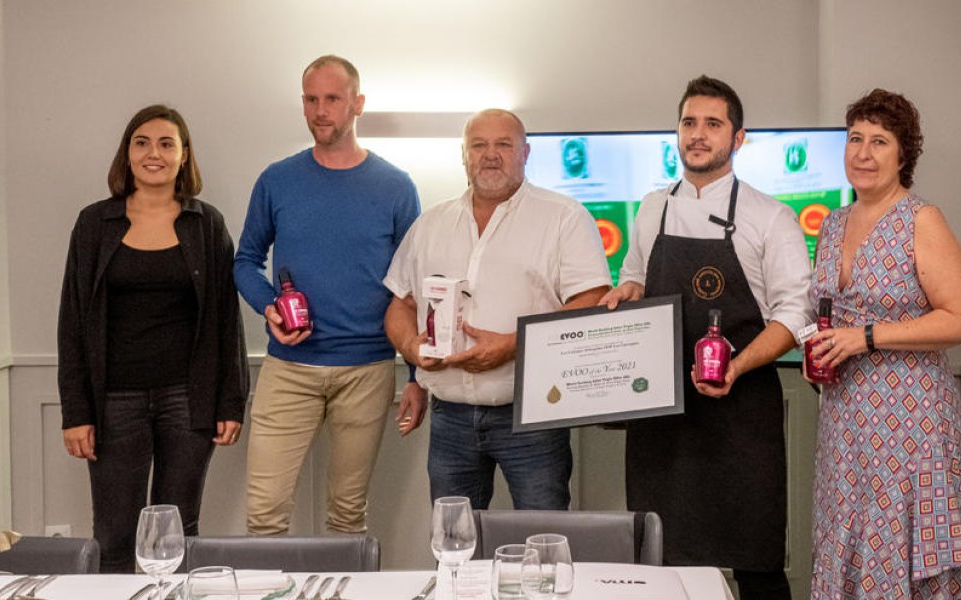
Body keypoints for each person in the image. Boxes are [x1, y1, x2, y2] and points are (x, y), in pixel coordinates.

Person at [599, 76, 811, 600]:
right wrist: (627, 291)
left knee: (757, 560)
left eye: (713, 124)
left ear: (738, 138)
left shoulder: (770, 219)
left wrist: (738, 364)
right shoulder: (651, 207)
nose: (698, 135)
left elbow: (794, 315)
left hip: (742, 415)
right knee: (663, 555)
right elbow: (636, 275)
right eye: (689, 123)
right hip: (664, 418)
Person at [804, 89, 961, 600]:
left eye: (879, 141)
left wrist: (867, 338)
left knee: (918, 560)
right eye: (855, 138)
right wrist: (824, 352)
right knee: (854, 546)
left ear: (903, 153)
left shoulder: (921, 219)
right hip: (846, 425)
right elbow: (832, 315)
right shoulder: (833, 224)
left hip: (913, 422)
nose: (863, 152)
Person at [234, 55, 424, 536]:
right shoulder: (277, 179)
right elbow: (245, 260)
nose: (321, 110)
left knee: (347, 516)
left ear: (357, 104)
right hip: (288, 368)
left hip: (367, 369)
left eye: (332, 99)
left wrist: (418, 375)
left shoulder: (396, 187)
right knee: (264, 516)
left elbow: (414, 289)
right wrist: (268, 305)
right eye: (311, 99)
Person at [384, 109, 611, 509]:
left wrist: (513, 344)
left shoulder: (564, 217)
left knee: (544, 541)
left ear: (525, 152)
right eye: (479, 145)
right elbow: (401, 304)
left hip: (533, 415)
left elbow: (590, 303)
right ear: (463, 155)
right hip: (449, 418)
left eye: (503, 144)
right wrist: (413, 352)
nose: (490, 155)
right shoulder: (431, 223)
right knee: (454, 547)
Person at [58, 104, 249, 573]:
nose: (154, 153)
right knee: (115, 532)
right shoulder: (94, 224)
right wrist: (76, 411)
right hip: (112, 402)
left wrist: (231, 401)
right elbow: (73, 320)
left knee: (178, 529)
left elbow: (227, 318)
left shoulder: (206, 224)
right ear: (127, 154)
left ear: (184, 156)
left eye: (167, 143)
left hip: (188, 399)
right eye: (142, 143)